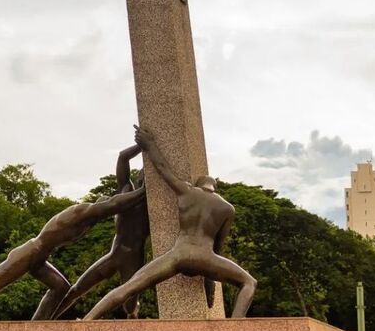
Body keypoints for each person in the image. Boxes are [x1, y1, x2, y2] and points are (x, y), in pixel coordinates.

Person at [84, 125, 256, 320]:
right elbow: (217, 248)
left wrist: (149, 144)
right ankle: (234, 326)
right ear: (214, 188)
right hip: (205, 258)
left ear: (198, 184)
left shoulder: (188, 192)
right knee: (249, 283)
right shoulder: (228, 209)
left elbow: (163, 168)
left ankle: (87, 320)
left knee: (129, 286)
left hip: (178, 255)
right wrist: (210, 283)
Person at [0, 184, 146, 321]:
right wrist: (144, 191)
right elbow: (115, 203)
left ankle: (37, 326)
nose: (108, 214)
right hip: (29, 253)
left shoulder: (87, 223)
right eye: (106, 209)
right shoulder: (81, 211)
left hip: (41, 259)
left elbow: (116, 204)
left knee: (61, 287)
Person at [53, 144, 150, 319]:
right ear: (139, 177)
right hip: (115, 254)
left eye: (149, 177)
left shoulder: (153, 209)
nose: (145, 179)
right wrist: (141, 145)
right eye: (144, 175)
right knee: (77, 289)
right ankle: (48, 319)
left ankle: (134, 313)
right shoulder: (125, 191)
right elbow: (123, 157)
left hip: (133, 259)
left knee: (129, 307)